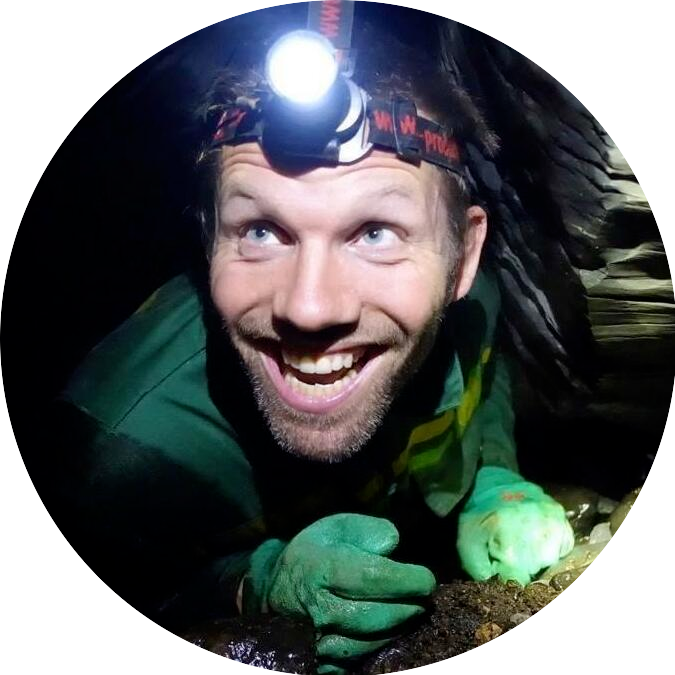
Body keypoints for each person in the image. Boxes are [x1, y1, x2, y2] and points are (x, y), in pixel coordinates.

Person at [44, 13, 574, 673]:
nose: (309, 306)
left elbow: (483, 372)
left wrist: (496, 475)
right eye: (261, 231)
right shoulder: (115, 459)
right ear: (208, 243)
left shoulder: (476, 305)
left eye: (375, 232)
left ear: (462, 258)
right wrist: (252, 585)